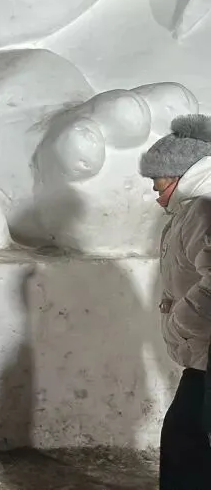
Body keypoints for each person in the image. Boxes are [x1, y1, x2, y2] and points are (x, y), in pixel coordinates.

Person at [141, 113, 211, 489]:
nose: (154, 190)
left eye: (157, 180)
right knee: (186, 439)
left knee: (184, 442)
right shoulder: (193, 210)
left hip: (206, 351)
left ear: (178, 174)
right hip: (202, 356)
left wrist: (181, 321)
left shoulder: (203, 209)